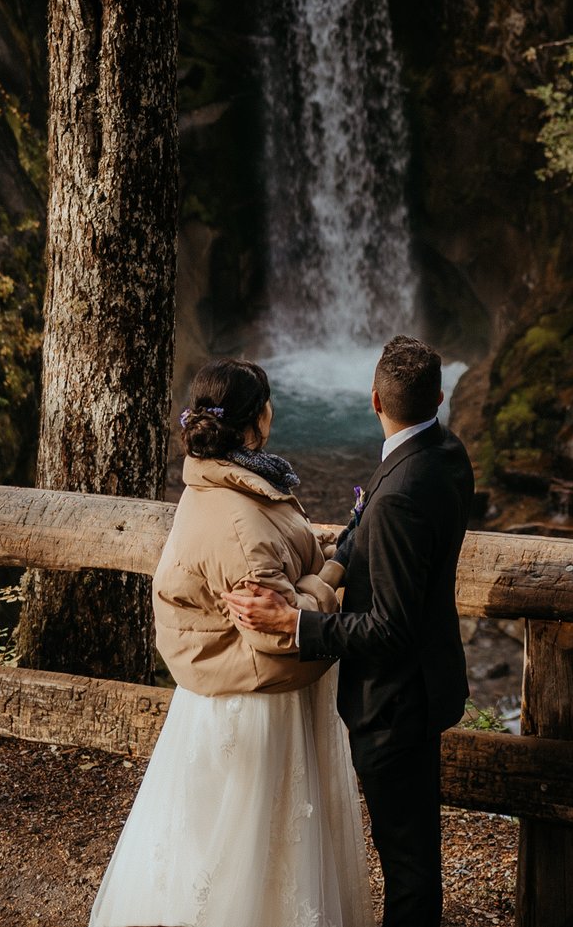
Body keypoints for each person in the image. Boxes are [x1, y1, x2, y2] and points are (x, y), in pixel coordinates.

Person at [89, 358, 369, 927]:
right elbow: (278, 635)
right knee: (248, 856)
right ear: (258, 418)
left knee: (212, 845)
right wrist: (335, 570)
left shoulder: (227, 476)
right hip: (255, 710)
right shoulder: (240, 518)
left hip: (229, 695)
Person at [225, 336, 474, 927]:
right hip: (429, 680)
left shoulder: (399, 497)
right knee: (415, 854)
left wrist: (297, 624)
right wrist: (346, 549)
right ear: (439, 398)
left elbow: (388, 626)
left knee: (408, 868)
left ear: (373, 401)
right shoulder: (447, 452)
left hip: (394, 701)